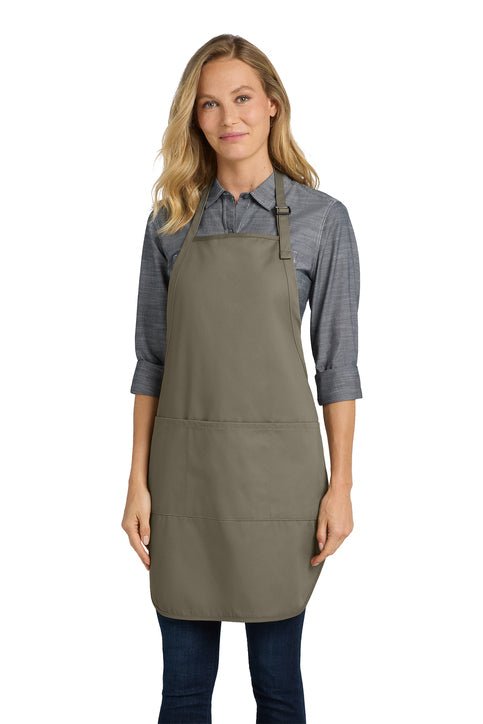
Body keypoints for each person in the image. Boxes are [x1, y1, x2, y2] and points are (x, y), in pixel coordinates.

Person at [122, 33, 363, 724]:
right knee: (183, 692)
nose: (228, 117)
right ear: (193, 118)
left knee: (278, 689)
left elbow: (337, 365)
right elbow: (151, 361)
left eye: (242, 98)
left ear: (272, 104)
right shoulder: (170, 222)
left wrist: (340, 486)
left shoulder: (322, 220)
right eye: (209, 104)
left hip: (280, 484)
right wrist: (137, 481)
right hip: (185, 479)